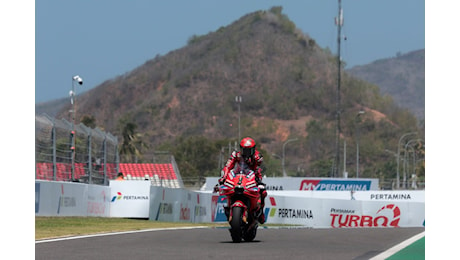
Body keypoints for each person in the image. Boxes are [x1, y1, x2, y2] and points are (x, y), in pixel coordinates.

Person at [218, 137, 267, 224]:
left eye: (249, 150)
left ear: (253, 149)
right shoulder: (235, 154)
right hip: (239, 176)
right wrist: (223, 177)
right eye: (245, 150)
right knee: (226, 187)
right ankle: (230, 207)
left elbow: (257, 169)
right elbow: (228, 166)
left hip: (253, 176)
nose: (246, 153)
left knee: (262, 191)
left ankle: (261, 212)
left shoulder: (257, 157)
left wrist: (258, 180)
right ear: (241, 149)